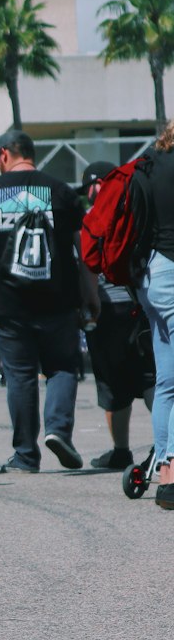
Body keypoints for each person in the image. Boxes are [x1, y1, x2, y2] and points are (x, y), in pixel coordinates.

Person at [0, 128, 99, 472]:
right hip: (58, 300)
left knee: (20, 375)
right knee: (63, 367)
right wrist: (91, 294)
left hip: (8, 304)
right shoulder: (62, 192)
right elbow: (83, 250)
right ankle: (58, 431)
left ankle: (25, 455)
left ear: (5, 155)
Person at [80, 161, 155, 470]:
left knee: (126, 381)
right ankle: (133, 448)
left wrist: (89, 304)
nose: (94, 190)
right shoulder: (140, 209)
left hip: (112, 309)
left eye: (95, 185)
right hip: (140, 305)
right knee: (145, 377)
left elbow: (86, 264)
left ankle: (131, 449)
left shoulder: (92, 219)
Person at [134, 119, 174, 510]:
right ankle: (172, 476)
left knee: (167, 382)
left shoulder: (148, 162)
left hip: (152, 274)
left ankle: (163, 469)